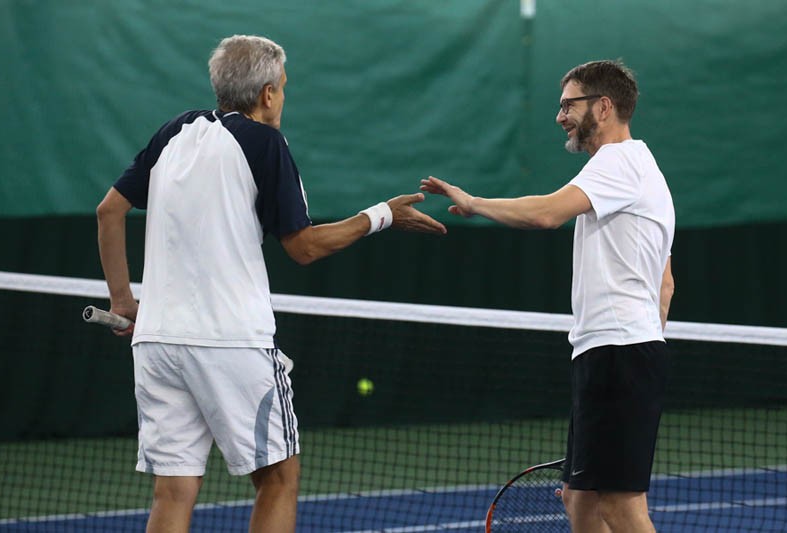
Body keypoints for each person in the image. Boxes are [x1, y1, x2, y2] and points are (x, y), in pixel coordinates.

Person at [96, 34, 445, 533]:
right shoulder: (265, 142)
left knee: (172, 491)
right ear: (267, 93)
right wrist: (382, 215)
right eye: (283, 87)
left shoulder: (175, 130)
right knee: (279, 479)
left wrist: (123, 299)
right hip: (232, 342)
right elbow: (304, 247)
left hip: (156, 343)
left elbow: (109, 211)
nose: (283, 96)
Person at [421, 60, 674, 533]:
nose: (560, 116)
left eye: (568, 105)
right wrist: (640, 345)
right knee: (580, 498)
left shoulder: (619, 161)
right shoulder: (645, 170)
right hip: (617, 350)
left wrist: (474, 203)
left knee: (620, 505)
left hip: (618, 352)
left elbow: (546, 213)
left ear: (604, 106)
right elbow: (666, 284)